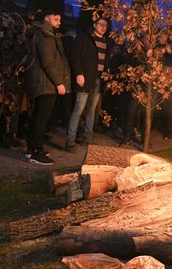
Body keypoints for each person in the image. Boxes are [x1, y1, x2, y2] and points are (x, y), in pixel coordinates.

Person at [24, 10, 71, 165]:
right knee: (41, 117)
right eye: (56, 19)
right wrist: (59, 83)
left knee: (38, 116)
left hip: (43, 82)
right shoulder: (46, 36)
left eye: (60, 19)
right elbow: (48, 62)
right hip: (46, 83)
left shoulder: (45, 34)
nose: (59, 22)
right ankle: (36, 151)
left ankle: (32, 150)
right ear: (46, 18)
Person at [65, 18, 111, 149]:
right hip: (85, 79)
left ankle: (87, 137)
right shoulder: (84, 38)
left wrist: (106, 77)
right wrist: (79, 73)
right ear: (95, 25)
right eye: (101, 25)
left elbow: (106, 61)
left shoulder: (106, 42)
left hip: (99, 80)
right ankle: (70, 140)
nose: (104, 27)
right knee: (79, 108)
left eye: (105, 25)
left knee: (92, 109)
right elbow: (75, 56)